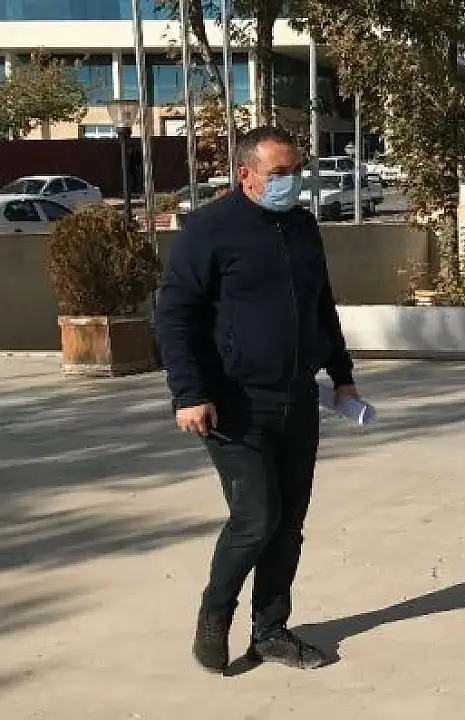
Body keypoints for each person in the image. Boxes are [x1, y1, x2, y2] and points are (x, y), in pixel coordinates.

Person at [155, 126, 357, 674]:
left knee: (288, 524)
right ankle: (214, 617)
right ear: (246, 175)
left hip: (297, 399)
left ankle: (270, 631)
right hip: (233, 404)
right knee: (255, 518)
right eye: (279, 174)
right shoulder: (209, 230)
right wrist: (189, 393)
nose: (292, 183)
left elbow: (321, 304)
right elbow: (174, 315)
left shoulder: (302, 226)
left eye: (297, 172)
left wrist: (342, 374)